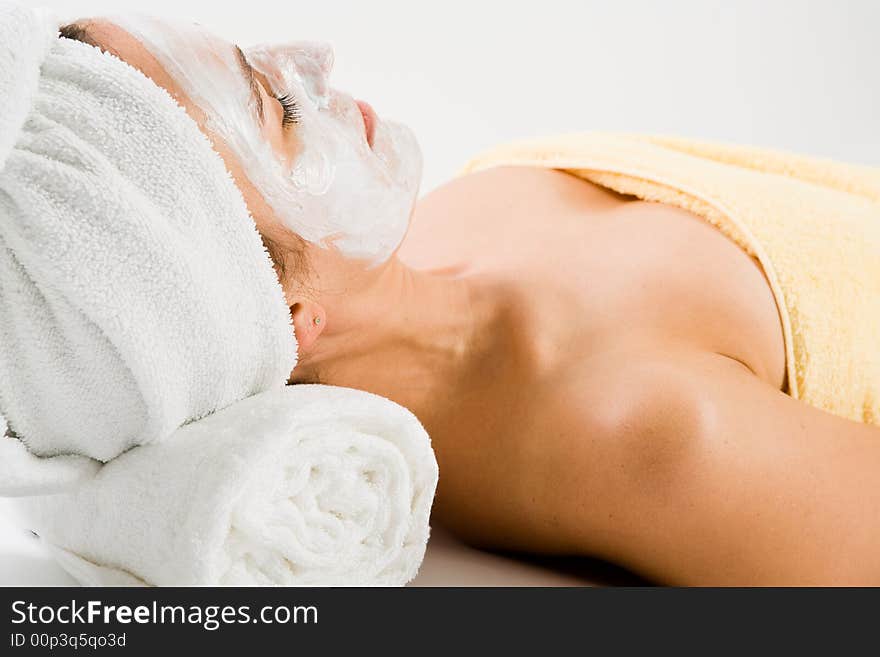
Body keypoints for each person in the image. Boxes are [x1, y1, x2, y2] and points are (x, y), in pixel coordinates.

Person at [50, 16, 880, 585]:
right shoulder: (640, 435)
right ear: (288, 323)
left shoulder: (446, 224)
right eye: (280, 109)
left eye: (254, 54)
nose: (315, 57)